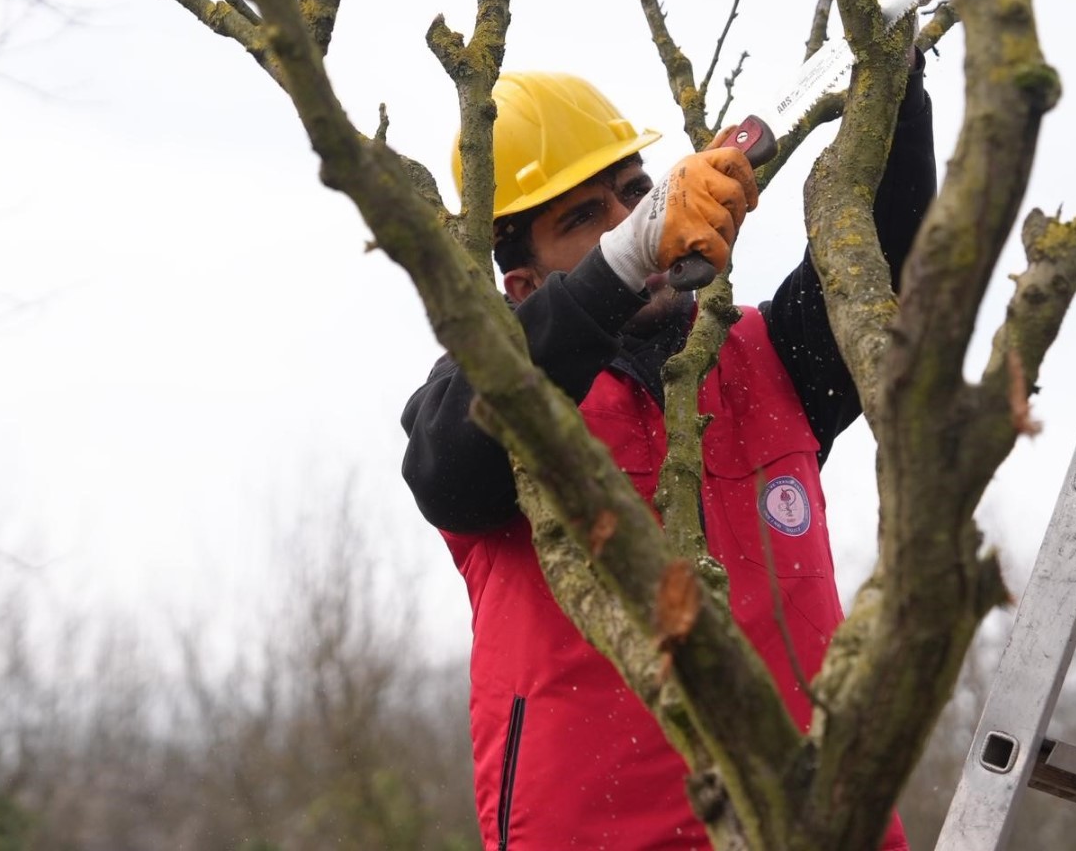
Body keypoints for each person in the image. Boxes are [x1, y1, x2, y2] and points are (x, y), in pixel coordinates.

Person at [400, 50, 936, 847]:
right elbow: (447, 471)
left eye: (634, 192)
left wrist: (896, 68)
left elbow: (880, 263)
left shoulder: (769, 360)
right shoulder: (499, 396)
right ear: (524, 286)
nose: (630, 222)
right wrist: (624, 261)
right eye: (582, 219)